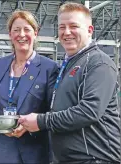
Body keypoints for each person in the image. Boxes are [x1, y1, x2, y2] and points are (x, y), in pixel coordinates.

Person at [18, 2, 120, 164]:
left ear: (89, 30)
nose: (66, 32)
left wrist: (41, 121)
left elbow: (89, 111)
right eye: (61, 27)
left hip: (94, 158)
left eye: (73, 26)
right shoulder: (67, 65)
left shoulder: (99, 63)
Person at [0, 10, 59, 164]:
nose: (21, 34)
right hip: (2, 149)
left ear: (35, 33)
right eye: (16, 30)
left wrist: (31, 125)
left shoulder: (49, 68)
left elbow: (54, 109)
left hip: (34, 150)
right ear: (10, 35)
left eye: (27, 29)